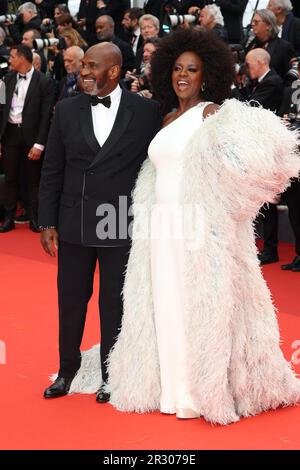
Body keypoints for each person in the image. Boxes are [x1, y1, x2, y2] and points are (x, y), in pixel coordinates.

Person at [71, 28, 300, 425]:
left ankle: (198, 391)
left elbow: (259, 163)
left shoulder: (214, 113)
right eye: (177, 68)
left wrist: (228, 207)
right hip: (159, 232)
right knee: (165, 305)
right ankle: (170, 388)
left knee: (199, 307)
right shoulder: (165, 118)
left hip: (197, 233)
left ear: (206, 74)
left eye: (191, 70)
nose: (183, 76)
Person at [39, 42, 162, 401]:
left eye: (92, 66)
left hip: (119, 222)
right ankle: (67, 372)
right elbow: (52, 169)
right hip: (74, 221)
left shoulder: (147, 111)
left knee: (114, 303)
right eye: (82, 66)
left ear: (114, 70)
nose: (83, 71)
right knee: (71, 301)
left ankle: (112, 374)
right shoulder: (65, 110)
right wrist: (47, 221)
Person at [0, 44, 55, 233]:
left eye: (13, 57)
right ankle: (8, 218)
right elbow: (0, 109)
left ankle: (35, 217)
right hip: (10, 134)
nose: (10, 60)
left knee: (33, 179)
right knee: (10, 178)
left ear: (23, 58)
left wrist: (39, 144)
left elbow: (46, 115)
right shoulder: (6, 79)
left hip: (32, 136)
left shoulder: (44, 82)